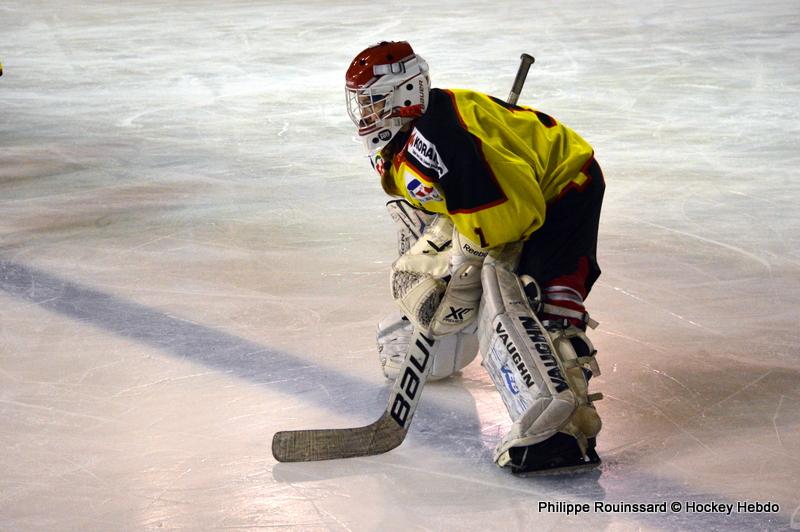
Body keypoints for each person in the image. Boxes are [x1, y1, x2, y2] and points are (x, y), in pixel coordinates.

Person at [346, 41, 605, 475]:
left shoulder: (443, 144)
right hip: (514, 192)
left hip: (563, 191)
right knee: (433, 248)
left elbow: (516, 214)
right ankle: (442, 346)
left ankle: (563, 428)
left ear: (404, 95)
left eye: (372, 101)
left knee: (529, 298)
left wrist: (466, 260)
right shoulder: (414, 137)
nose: (364, 113)